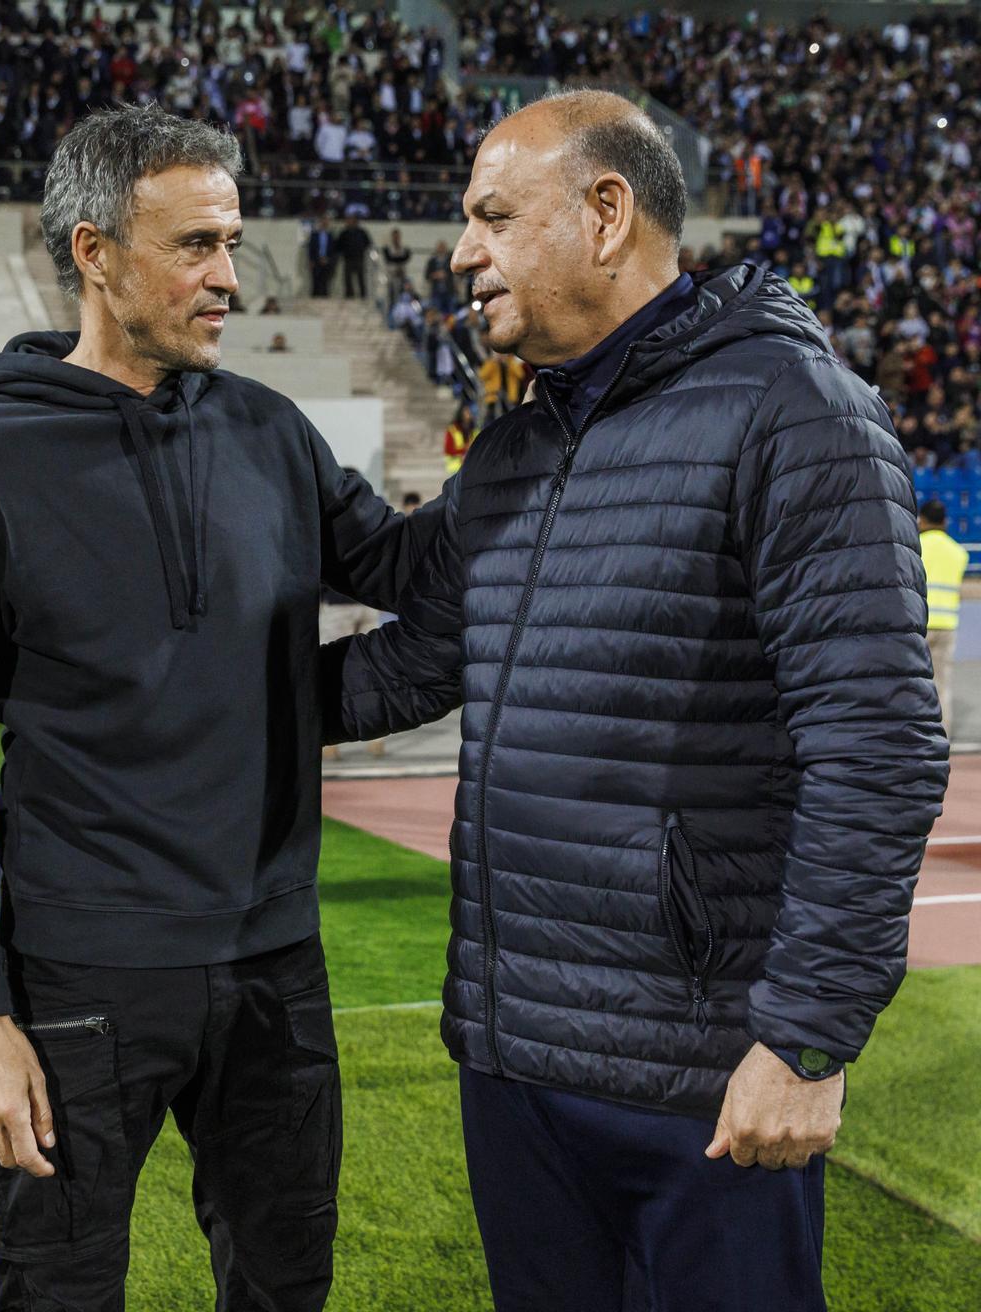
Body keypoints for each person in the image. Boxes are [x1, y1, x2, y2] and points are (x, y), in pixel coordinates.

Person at [322, 89, 949, 1312]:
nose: (461, 253)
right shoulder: (517, 445)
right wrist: (157, 695)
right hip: (515, 1061)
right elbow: (411, 655)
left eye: (494, 216)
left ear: (607, 214)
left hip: (702, 1078)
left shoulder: (794, 410)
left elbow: (876, 745)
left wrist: (808, 1037)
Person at [0, 106, 440, 1312]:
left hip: (274, 964)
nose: (228, 277)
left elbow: (412, 573)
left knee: (289, 1281)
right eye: (194, 245)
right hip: (77, 977)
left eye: (232, 242)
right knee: (59, 1290)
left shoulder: (269, 429)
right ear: (94, 254)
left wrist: (558, 443)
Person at [918, 499, 970, 737]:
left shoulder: (915, 546)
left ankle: (917, 735)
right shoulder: (958, 553)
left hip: (919, 625)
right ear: (945, 521)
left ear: (923, 520)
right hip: (947, 625)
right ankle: (942, 736)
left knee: (915, 683)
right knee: (943, 685)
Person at [336, 214, 372, 300]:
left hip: (359, 258)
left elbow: (368, 243)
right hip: (348, 259)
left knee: (361, 278)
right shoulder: (344, 233)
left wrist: (361, 250)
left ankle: (363, 296)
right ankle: (349, 296)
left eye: (352, 220)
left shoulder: (362, 232)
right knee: (347, 279)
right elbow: (338, 245)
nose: (350, 222)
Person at [443, 401, 478, 474]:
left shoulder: (475, 430)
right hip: (455, 468)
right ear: (461, 413)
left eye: (470, 412)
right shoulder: (452, 429)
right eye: (467, 411)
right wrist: (465, 450)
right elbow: (448, 450)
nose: (469, 414)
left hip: (471, 468)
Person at [382, 227, 411, 308]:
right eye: (394, 236)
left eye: (397, 236)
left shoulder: (403, 248)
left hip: (402, 275)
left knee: (403, 295)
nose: (396, 238)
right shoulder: (388, 248)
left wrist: (396, 258)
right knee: (391, 296)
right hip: (391, 276)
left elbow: (406, 257)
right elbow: (389, 259)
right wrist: (399, 259)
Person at [307, 214, 336, 297]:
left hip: (326, 260)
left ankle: (325, 296)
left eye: (326, 221)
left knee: (325, 280)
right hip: (316, 260)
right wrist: (311, 260)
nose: (324, 223)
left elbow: (332, 250)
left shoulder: (330, 236)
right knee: (315, 280)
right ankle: (314, 296)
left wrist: (328, 259)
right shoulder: (314, 235)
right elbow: (311, 248)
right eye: (323, 221)